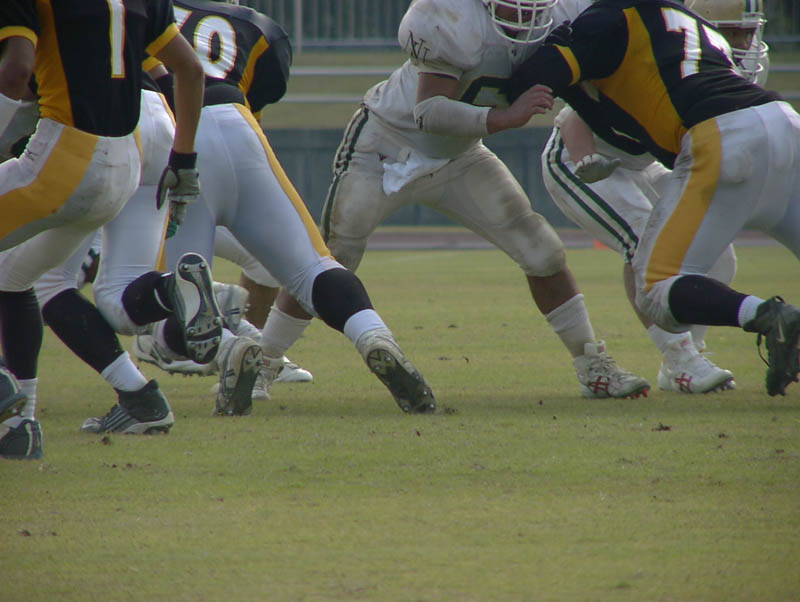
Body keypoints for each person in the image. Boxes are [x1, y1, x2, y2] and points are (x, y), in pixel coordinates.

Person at [294, 0, 650, 401]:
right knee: (332, 258)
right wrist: (505, 118)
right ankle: (268, 359)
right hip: (387, 145)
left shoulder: (565, 13)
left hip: (460, 155)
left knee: (542, 251)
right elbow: (428, 111)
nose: (526, 6)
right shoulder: (451, 16)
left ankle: (592, 366)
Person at [105, 0, 435, 417]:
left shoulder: (139, 9)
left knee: (180, 295)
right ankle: (374, 336)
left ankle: (232, 349)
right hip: (239, 128)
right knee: (314, 267)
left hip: (172, 137)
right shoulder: (255, 26)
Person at [508, 0, 800, 396]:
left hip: (686, 150)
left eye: (747, 33)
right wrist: (585, 157)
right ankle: (682, 359)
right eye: (733, 32)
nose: (743, 42)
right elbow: (572, 115)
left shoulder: (676, 39)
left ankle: (705, 347)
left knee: (707, 264)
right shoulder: (641, 30)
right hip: (592, 161)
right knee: (643, 240)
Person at [0, 0, 206, 459]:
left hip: (63, 158)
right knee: (13, 276)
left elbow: (15, 73)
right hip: (124, 165)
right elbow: (190, 70)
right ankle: (21, 425)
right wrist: (184, 161)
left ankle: (3, 389)